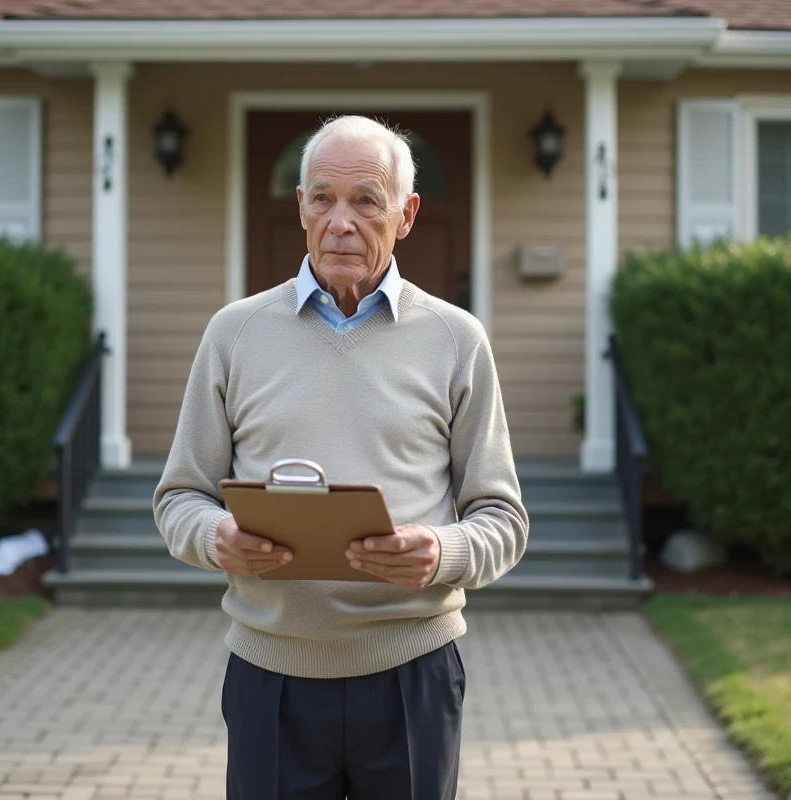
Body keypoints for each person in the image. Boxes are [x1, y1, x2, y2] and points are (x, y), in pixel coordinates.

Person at [153, 114, 528, 800]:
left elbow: (502, 517)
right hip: (270, 678)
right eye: (322, 197)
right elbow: (179, 498)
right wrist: (218, 537)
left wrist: (441, 552)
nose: (341, 221)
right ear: (300, 207)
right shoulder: (234, 334)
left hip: (412, 673)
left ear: (406, 214)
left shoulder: (457, 339)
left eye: (366, 200)